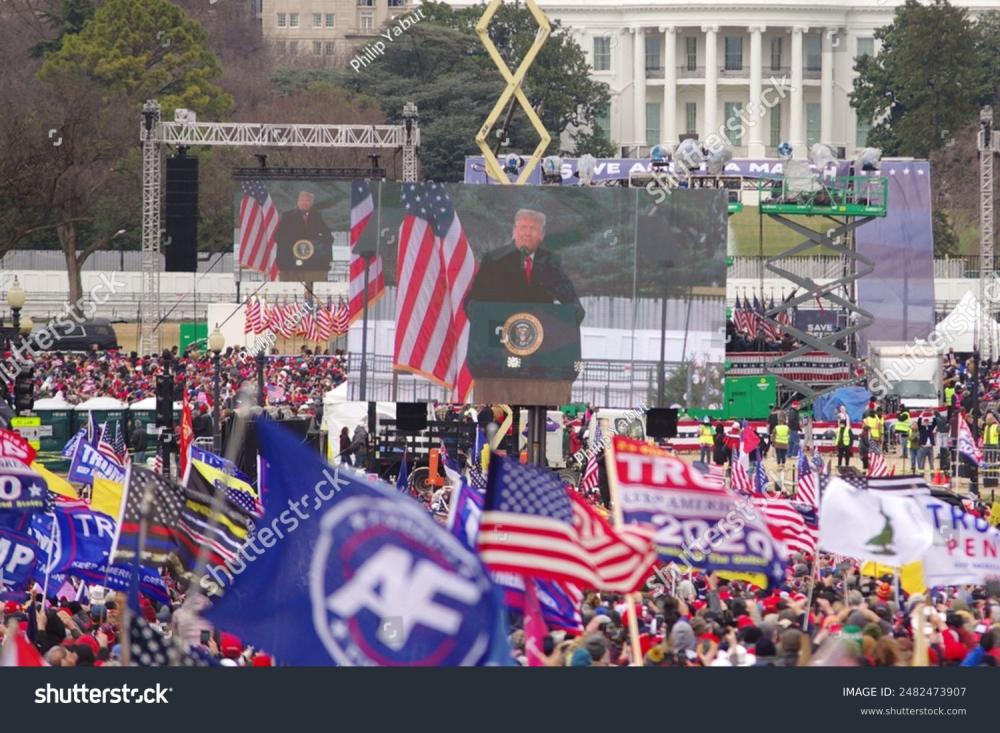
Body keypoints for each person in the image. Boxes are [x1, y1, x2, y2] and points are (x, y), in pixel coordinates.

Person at [464, 209, 584, 323]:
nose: (527, 233)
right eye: (523, 227)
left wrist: (564, 322)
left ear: (541, 235)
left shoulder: (550, 262)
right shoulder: (493, 261)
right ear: (514, 232)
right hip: (499, 336)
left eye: (533, 229)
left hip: (538, 337)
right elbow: (472, 304)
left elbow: (574, 307)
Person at [273, 191, 332, 275]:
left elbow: (328, 237)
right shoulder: (287, 216)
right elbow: (278, 236)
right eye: (302, 200)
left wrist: (317, 243)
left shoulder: (317, 216)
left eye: (308, 200)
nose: (305, 203)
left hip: (313, 263)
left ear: (312, 203)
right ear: (298, 202)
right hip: (290, 261)